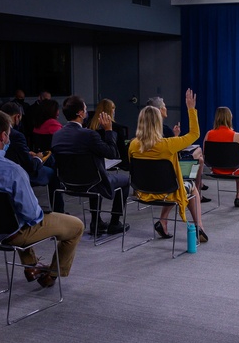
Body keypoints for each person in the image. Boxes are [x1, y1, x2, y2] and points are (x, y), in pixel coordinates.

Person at [0, 109, 84, 288]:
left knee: (15, 213)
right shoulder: (13, 171)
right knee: (75, 226)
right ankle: (52, 275)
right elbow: (32, 216)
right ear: (3, 136)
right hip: (9, 233)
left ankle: (31, 267)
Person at [129, 89, 208, 243]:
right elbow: (194, 134)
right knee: (190, 186)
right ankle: (199, 226)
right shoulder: (167, 145)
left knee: (173, 185)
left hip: (142, 191)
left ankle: (163, 222)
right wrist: (191, 109)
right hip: (167, 190)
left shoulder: (133, 145)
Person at [52, 95, 130, 236]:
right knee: (125, 180)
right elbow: (112, 153)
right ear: (80, 113)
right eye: (86, 110)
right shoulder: (89, 135)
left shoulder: (57, 135)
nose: (87, 113)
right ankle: (114, 222)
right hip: (92, 183)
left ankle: (96, 222)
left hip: (67, 184)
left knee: (93, 174)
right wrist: (108, 130)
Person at [0, 102, 63, 214]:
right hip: (22, 173)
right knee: (53, 172)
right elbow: (31, 166)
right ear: (17, 116)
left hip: (4, 171)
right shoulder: (17, 135)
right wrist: (38, 158)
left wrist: (28, 153)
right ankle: (58, 211)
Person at [147, 95, 208, 201]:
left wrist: (175, 136)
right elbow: (193, 135)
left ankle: (198, 188)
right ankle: (197, 189)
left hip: (146, 181)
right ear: (160, 110)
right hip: (170, 174)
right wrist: (191, 109)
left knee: (200, 160)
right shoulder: (165, 131)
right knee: (199, 155)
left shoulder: (136, 143)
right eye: (164, 106)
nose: (166, 108)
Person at [89, 98, 131, 165]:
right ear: (111, 111)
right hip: (115, 163)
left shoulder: (89, 127)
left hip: (95, 163)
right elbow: (122, 150)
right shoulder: (117, 128)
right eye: (113, 108)